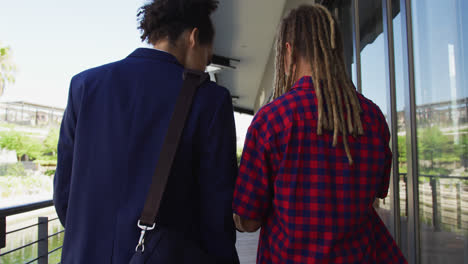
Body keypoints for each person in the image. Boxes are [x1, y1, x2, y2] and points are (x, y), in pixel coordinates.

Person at [53, 0, 239, 263]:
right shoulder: (209, 99)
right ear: (194, 37)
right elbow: (216, 214)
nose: (204, 67)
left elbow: (64, 198)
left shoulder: (85, 85)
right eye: (207, 59)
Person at [232, 4, 406, 264]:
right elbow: (378, 194)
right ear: (335, 51)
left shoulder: (272, 120)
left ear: (287, 52)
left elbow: (248, 219)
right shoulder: (372, 118)